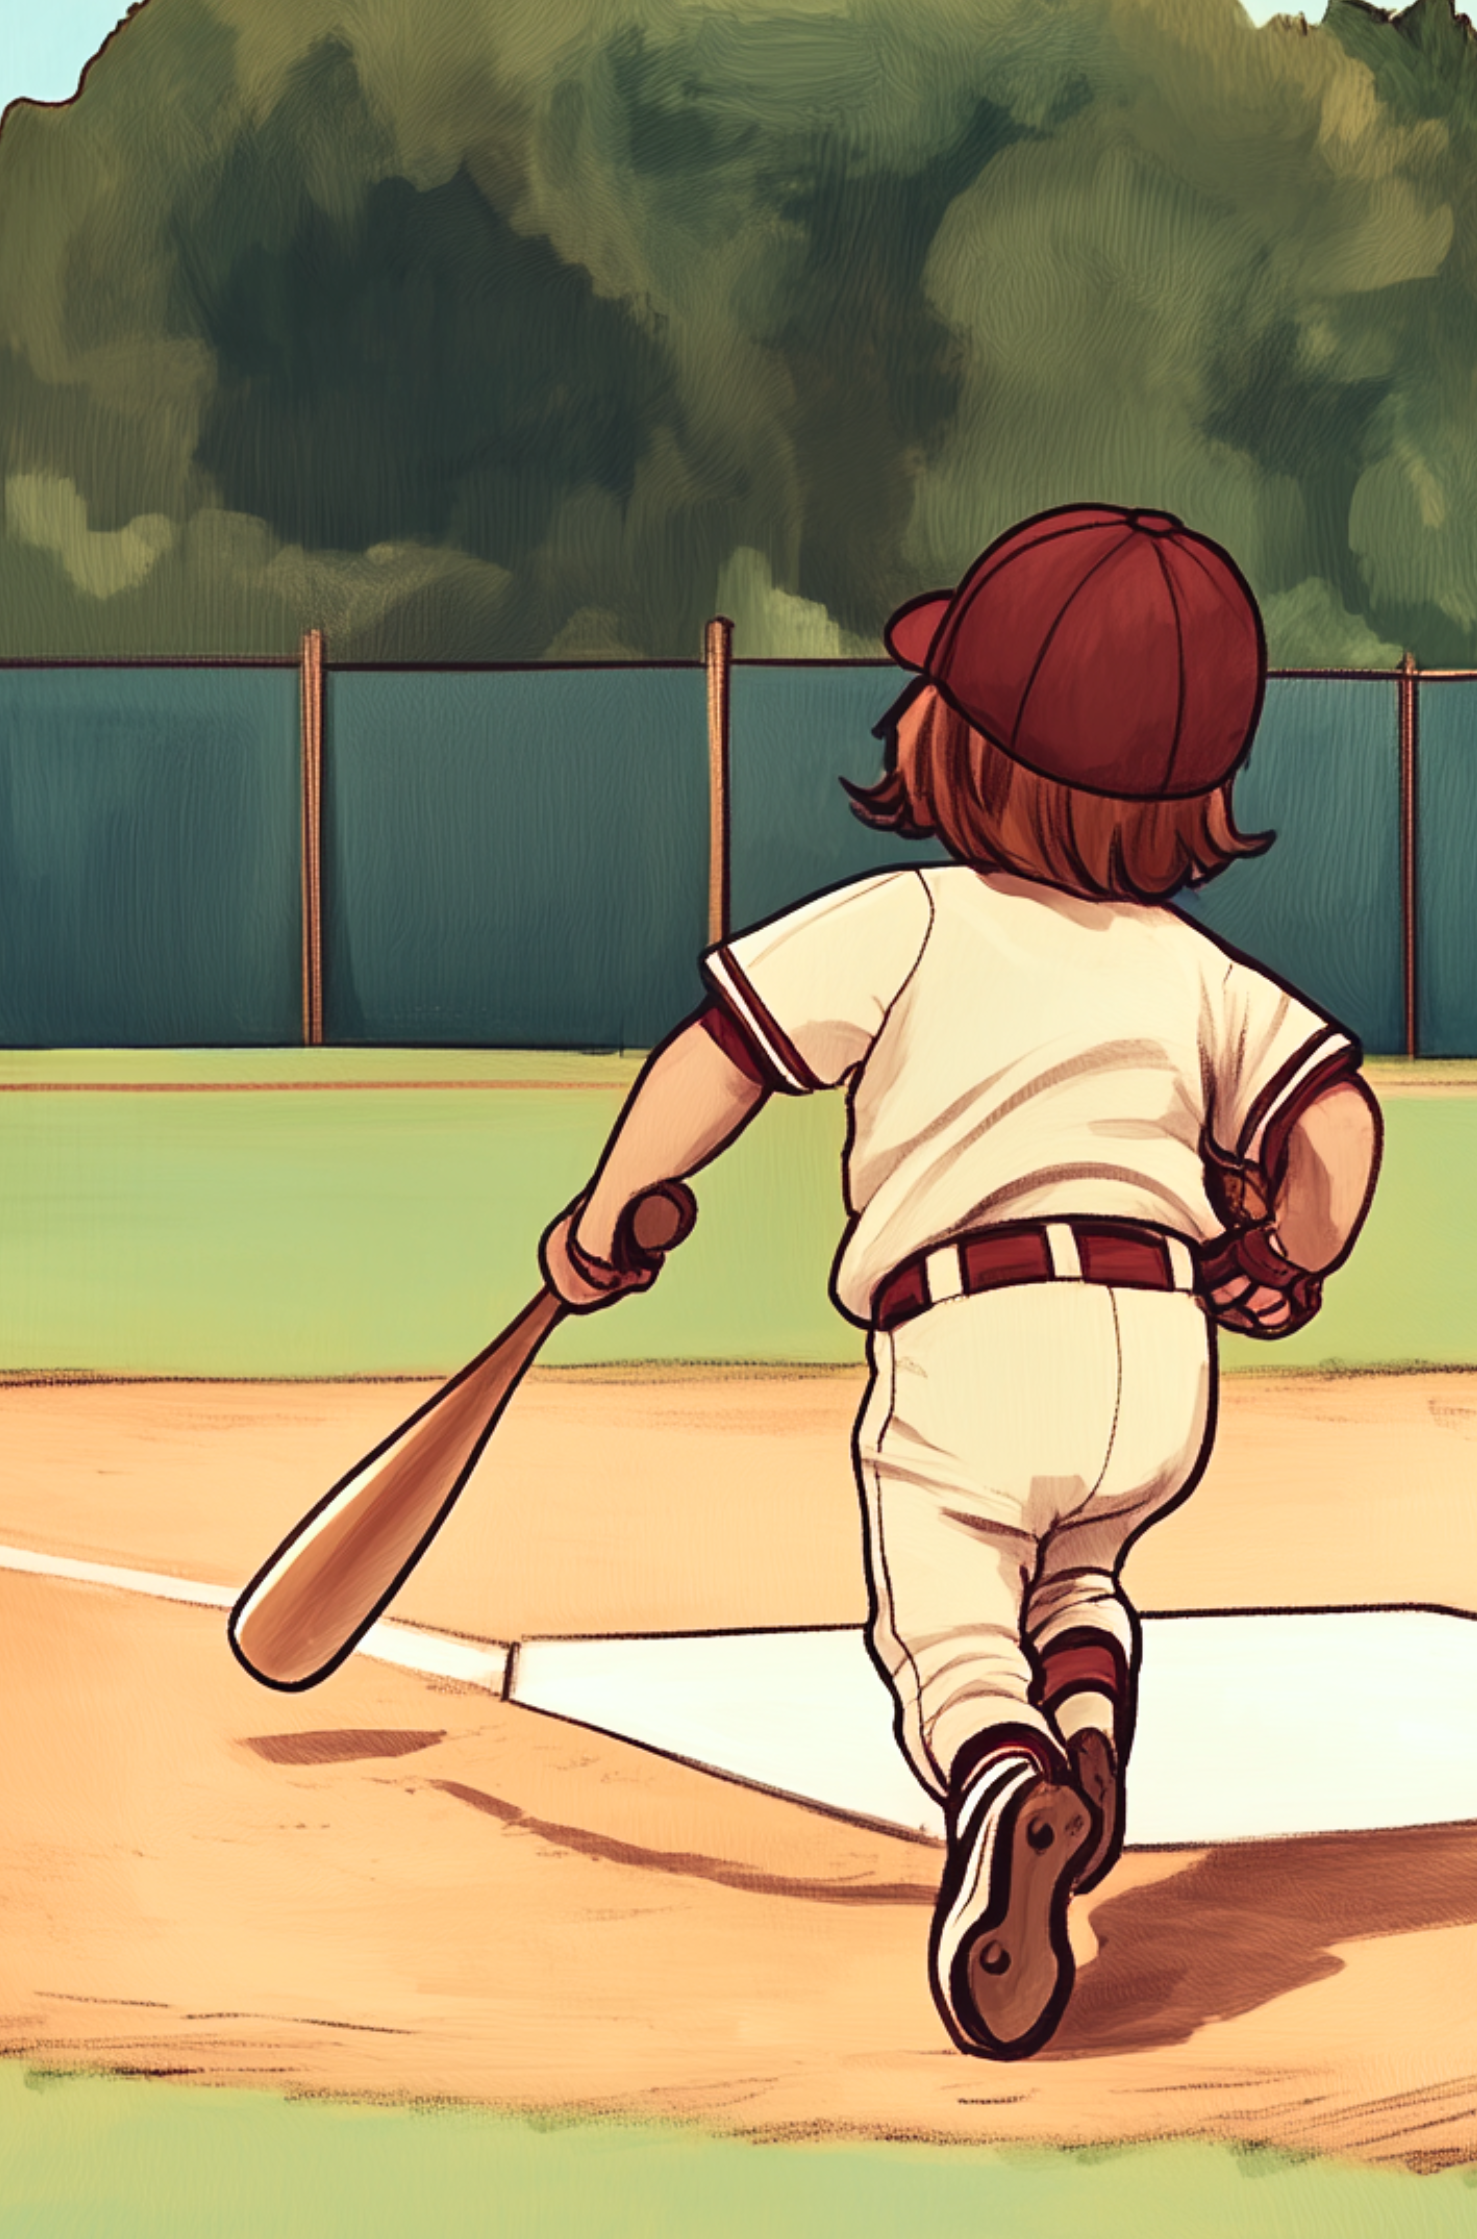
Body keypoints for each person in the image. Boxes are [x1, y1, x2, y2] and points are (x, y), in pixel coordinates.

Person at [533, 502, 1383, 2061]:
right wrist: (1284, 1257)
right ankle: (1083, 1734)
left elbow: (723, 1057)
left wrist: (612, 1206)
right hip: (1159, 1348)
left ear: (957, 739)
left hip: (975, 1337)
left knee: (947, 1611)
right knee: (1079, 1568)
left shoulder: (912, 919)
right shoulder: (1192, 968)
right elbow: (1334, 1123)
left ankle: (1001, 1776)